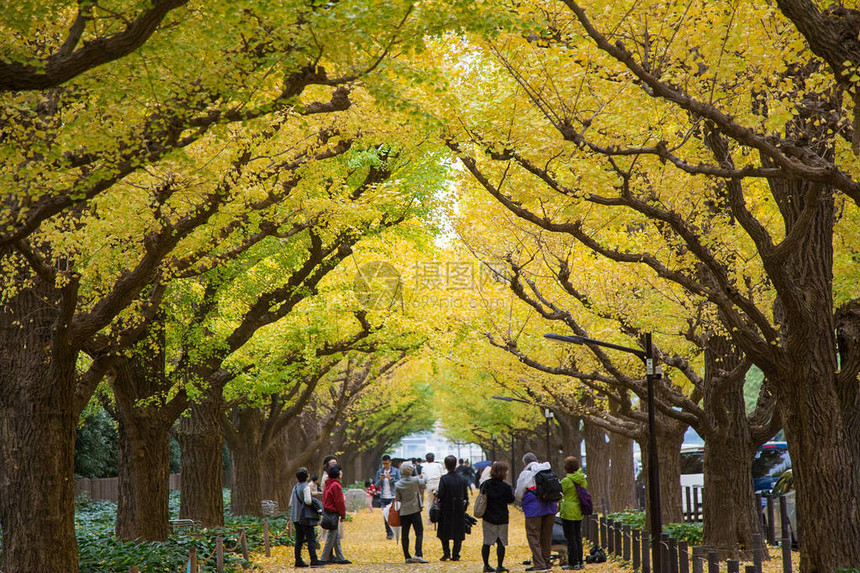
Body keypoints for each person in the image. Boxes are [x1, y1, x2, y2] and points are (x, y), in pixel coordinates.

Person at [515, 452, 558, 573]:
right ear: (536, 460)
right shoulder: (546, 469)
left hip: (534, 509)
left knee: (533, 535)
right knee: (546, 536)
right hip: (550, 507)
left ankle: (539, 564)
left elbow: (519, 494)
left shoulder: (526, 473)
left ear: (525, 462)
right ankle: (546, 562)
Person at [480, 461, 516, 573]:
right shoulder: (506, 487)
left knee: (487, 542)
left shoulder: (486, 484)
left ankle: (486, 565)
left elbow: (482, 498)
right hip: (502, 516)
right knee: (501, 542)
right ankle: (500, 565)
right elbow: (511, 500)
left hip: (488, 516)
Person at [290, 467, 325, 568]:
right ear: (306, 477)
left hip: (296, 517)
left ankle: (298, 560)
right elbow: (308, 501)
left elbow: (291, 502)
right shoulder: (306, 487)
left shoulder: (295, 487)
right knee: (311, 538)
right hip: (305, 517)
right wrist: (314, 501)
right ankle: (313, 560)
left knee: (299, 540)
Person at [395, 462, 429, 563]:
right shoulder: (416, 480)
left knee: (405, 534)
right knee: (419, 532)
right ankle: (418, 554)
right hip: (415, 510)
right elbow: (424, 482)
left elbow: (398, 498)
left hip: (404, 512)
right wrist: (423, 476)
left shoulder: (397, 484)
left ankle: (407, 556)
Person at [436, 454, 468, 561]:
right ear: (455, 465)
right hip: (459, 508)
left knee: (445, 532)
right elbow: (466, 495)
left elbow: (441, 494)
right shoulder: (462, 478)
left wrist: (436, 494)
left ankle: (446, 553)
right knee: (458, 532)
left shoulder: (444, 479)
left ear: (446, 465)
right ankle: (456, 554)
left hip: (446, 508)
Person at [559, 456, 587, 570]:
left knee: (570, 538)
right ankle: (580, 561)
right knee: (578, 537)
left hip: (568, 511)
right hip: (578, 510)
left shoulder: (566, 481)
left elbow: (561, 492)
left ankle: (573, 562)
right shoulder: (582, 479)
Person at [321, 465, 351, 565]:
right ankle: (323, 558)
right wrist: (343, 515)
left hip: (328, 512)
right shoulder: (336, 486)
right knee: (331, 536)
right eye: (340, 472)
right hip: (333, 513)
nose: (342, 473)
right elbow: (339, 502)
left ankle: (340, 557)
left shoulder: (328, 484)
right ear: (337, 474)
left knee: (335, 535)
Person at [375, 454, 401, 539]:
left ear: (390, 462)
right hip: (383, 497)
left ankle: (394, 531)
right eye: (384, 464)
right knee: (385, 516)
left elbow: (399, 483)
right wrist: (380, 480)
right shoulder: (380, 472)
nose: (385, 465)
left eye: (387, 463)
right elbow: (376, 484)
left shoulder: (396, 471)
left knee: (393, 515)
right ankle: (389, 533)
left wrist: (391, 479)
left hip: (392, 496)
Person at [422, 452, 444, 517]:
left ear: (426, 459)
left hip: (429, 484)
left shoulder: (424, 466)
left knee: (430, 501)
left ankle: (430, 517)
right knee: (440, 500)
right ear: (434, 459)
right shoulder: (438, 465)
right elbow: (442, 475)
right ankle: (440, 515)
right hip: (438, 483)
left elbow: (423, 478)